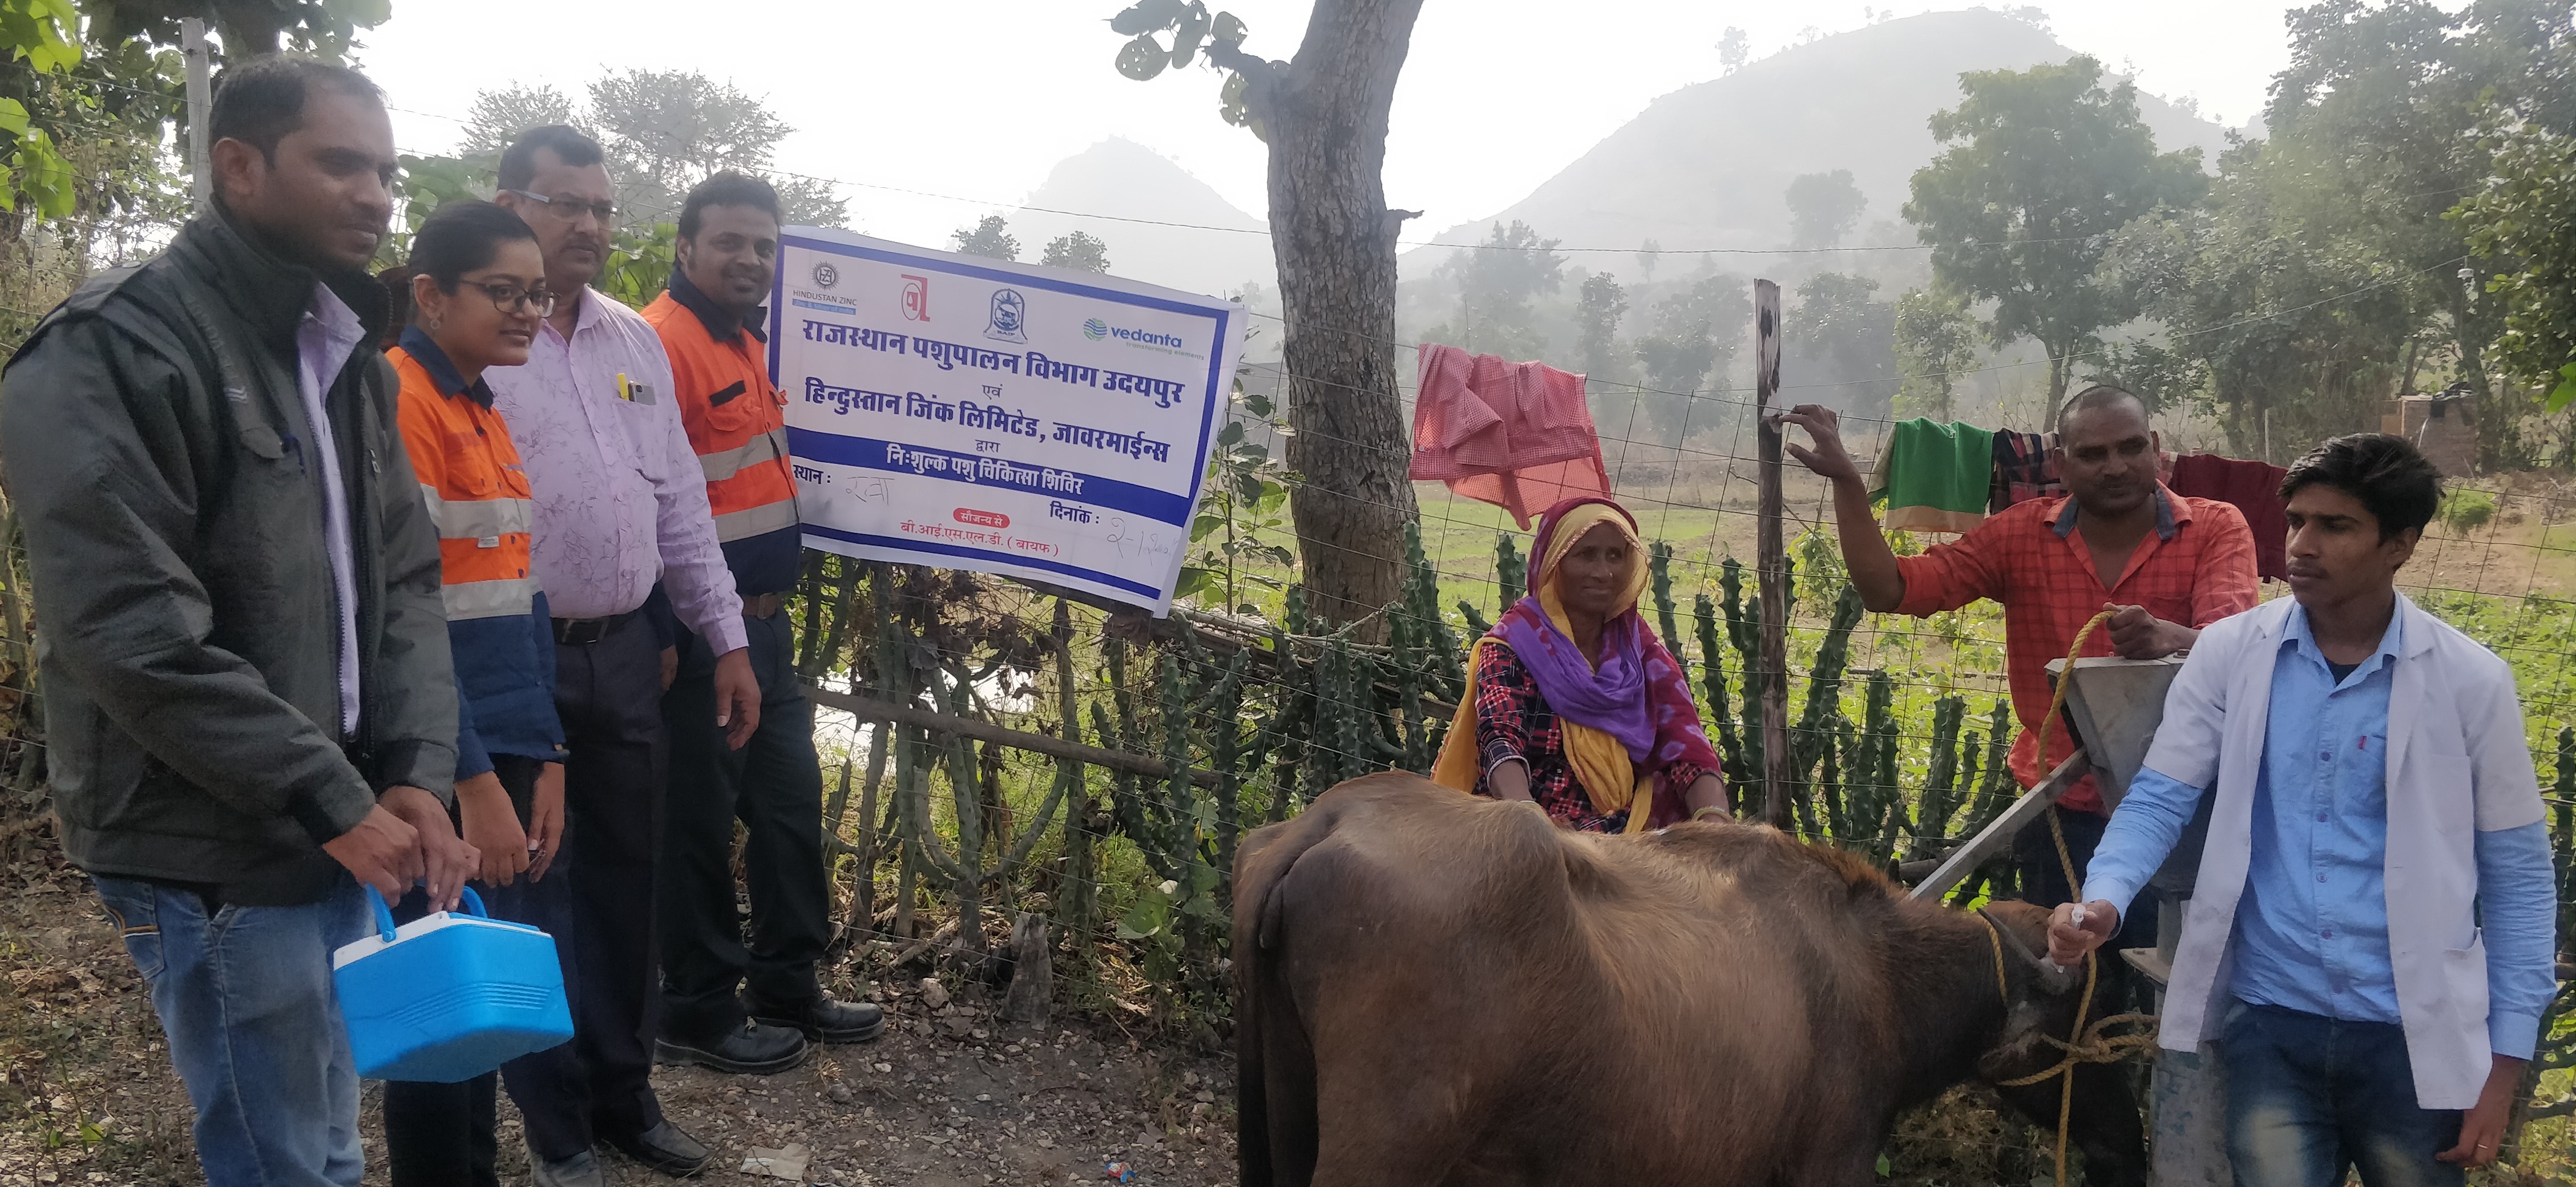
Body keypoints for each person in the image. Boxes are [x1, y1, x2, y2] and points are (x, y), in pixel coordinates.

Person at [0, 56, 474, 1187]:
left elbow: (401, 578)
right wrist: (331, 795)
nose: (375, 196)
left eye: (387, 172)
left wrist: (411, 766)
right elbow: (127, 628)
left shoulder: (345, 350)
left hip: (338, 815)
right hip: (213, 837)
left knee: (327, 1136)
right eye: (342, 164)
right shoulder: (115, 346)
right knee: (277, 1156)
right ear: (239, 166)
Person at [2049, 434, 2554, 1185]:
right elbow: (2158, 798)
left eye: (2335, 526)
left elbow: (2516, 877)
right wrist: (2104, 900)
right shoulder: (2229, 654)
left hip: (2411, 1039)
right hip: (2270, 1022)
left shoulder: (2469, 682)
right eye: (2295, 522)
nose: (2301, 546)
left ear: (2400, 545)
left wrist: (2503, 1065)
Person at [484, 125, 765, 1185]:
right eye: (567, 205)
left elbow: (680, 502)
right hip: (515, 661)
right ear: (512, 206)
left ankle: (623, 1093)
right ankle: (556, 1127)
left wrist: (723, 638)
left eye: (601, 208)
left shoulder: (629, 342)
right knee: (535, 893)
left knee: (624, 883)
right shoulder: (479, 347)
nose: (592, 226)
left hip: (625, 653)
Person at [1778, 387, 2259, 944]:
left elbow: (2238, 654)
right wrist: (1846, 483)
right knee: (2066, 994)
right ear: (2060, 464)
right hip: (2060, 808)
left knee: (2181, 983)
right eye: (2092, 454)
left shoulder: (2217, 527)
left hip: (2188, 805)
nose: (2115, 467)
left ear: (2155, 448)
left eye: (2130, 448)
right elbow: (1890, 589)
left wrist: (2172, 637)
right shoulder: (2018, 534)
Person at [641, 172, 883, 1068]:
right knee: (698, 821)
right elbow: (648, 501)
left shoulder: (741, 341)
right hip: (697, 631)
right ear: (685, 247)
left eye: (763, 247)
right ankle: (696, 1006)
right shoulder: (660, 344)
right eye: (730, 243)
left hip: (762, 631)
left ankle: (787, 979)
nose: (749, 260)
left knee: (787, 805)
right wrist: (667, 632)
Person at [379, 200, 574, 1187]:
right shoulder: (398, 401)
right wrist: (470, 778)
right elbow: (398, 617)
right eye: (503, 292)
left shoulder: (483, 406)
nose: (529, 311)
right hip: (432, 756)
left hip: (503, 743)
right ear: (430, 294)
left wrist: (546, 759)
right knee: (436, 1002)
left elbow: (520, 603)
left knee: (478, 999)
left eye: (536, 293)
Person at [1431, 496, 1729, 831]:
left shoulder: (1642, 653)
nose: (1604, 572)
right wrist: (1533, 824)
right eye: (1586, 555)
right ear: (1553, 563)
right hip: (1532, 829)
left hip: (1628, 832)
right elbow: (1500, 742)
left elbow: (1686, 749)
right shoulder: (1513, 647)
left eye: (1615, 556)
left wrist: (1715, 824)